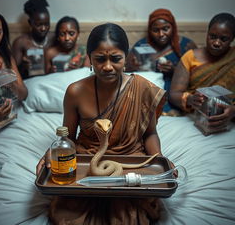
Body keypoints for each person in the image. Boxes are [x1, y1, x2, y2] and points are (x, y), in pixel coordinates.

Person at [36, 23, 174, 224]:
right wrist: (51, 153)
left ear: (126, 58)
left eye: (115, 59)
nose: (107, 66)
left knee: (129, 216)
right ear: (90, 59)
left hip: (131, 161)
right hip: (88, 161)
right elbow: (68, 138)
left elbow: (150, 134)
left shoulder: (142, 88)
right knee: (66, 213)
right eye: (100, 59)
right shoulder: (75, 92)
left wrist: (159, 160)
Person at [126, 8, 197, 115]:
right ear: (150, 30)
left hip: (176, 92)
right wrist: (134, 67)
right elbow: (126, 72)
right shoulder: (141, 46)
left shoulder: (186, 45)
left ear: (173, 27)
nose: (161, 34)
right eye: (155, 30)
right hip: (149, 92)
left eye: (166, 29)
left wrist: (175, 71)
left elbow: (197, 75)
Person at [169, 12, 235, 125]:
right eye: (212, 37)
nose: (216, 43)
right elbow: (174, 94)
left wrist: (233, 111)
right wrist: (190, 99)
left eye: (224, 39)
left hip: (229, 120)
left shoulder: (232, 57)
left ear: (232, 39)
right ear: (207, 33)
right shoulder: (190, 57)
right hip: (196, 117)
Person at [12, 0, 53, 78]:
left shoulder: (54, 37)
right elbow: (13, 73)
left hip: (51, 80)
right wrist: (23, 66)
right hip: (30, 81)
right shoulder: (21, 42)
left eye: (47, 24)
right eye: (39, 25)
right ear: (30, 23)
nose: (43, 28)